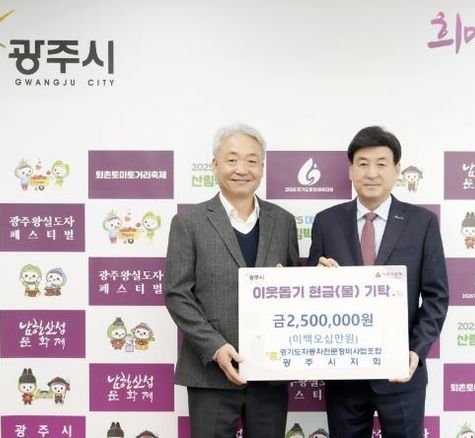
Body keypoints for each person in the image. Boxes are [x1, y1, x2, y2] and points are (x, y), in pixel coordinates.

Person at [307, 126, 448, 438]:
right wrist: (316, 279)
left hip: (401, 373)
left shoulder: (422, 223)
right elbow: (311, 294)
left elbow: (436, 296)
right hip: (343, 373)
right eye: (363, 163)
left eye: (381, 163)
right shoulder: (327, 222)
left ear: (397, 170)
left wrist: (416, 351)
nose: (371, 173)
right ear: (350, 170)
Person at [166, 124, 299, 438]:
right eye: (232, 160)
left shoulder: (283, 221)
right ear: (215, 165)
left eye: (252, 161)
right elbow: (177, 294)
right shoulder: (188, 222)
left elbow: (295, 290)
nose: (242, 169)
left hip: (270, 372)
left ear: (262, 168)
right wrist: (216, 348)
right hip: (210, 374)